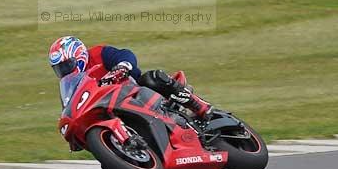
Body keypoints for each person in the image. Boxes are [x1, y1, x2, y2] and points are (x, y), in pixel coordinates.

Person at [48, 35, 215, 120]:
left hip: (133, 91)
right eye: (59, 69)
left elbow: (125, 54)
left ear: (79, 55)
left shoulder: (98, 53)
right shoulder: (71, 84)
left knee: (151, 78)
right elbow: (70, 107)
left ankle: (198, 105)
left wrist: (123, 66)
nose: (64, 71)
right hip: (108, 109)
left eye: (66, 65)